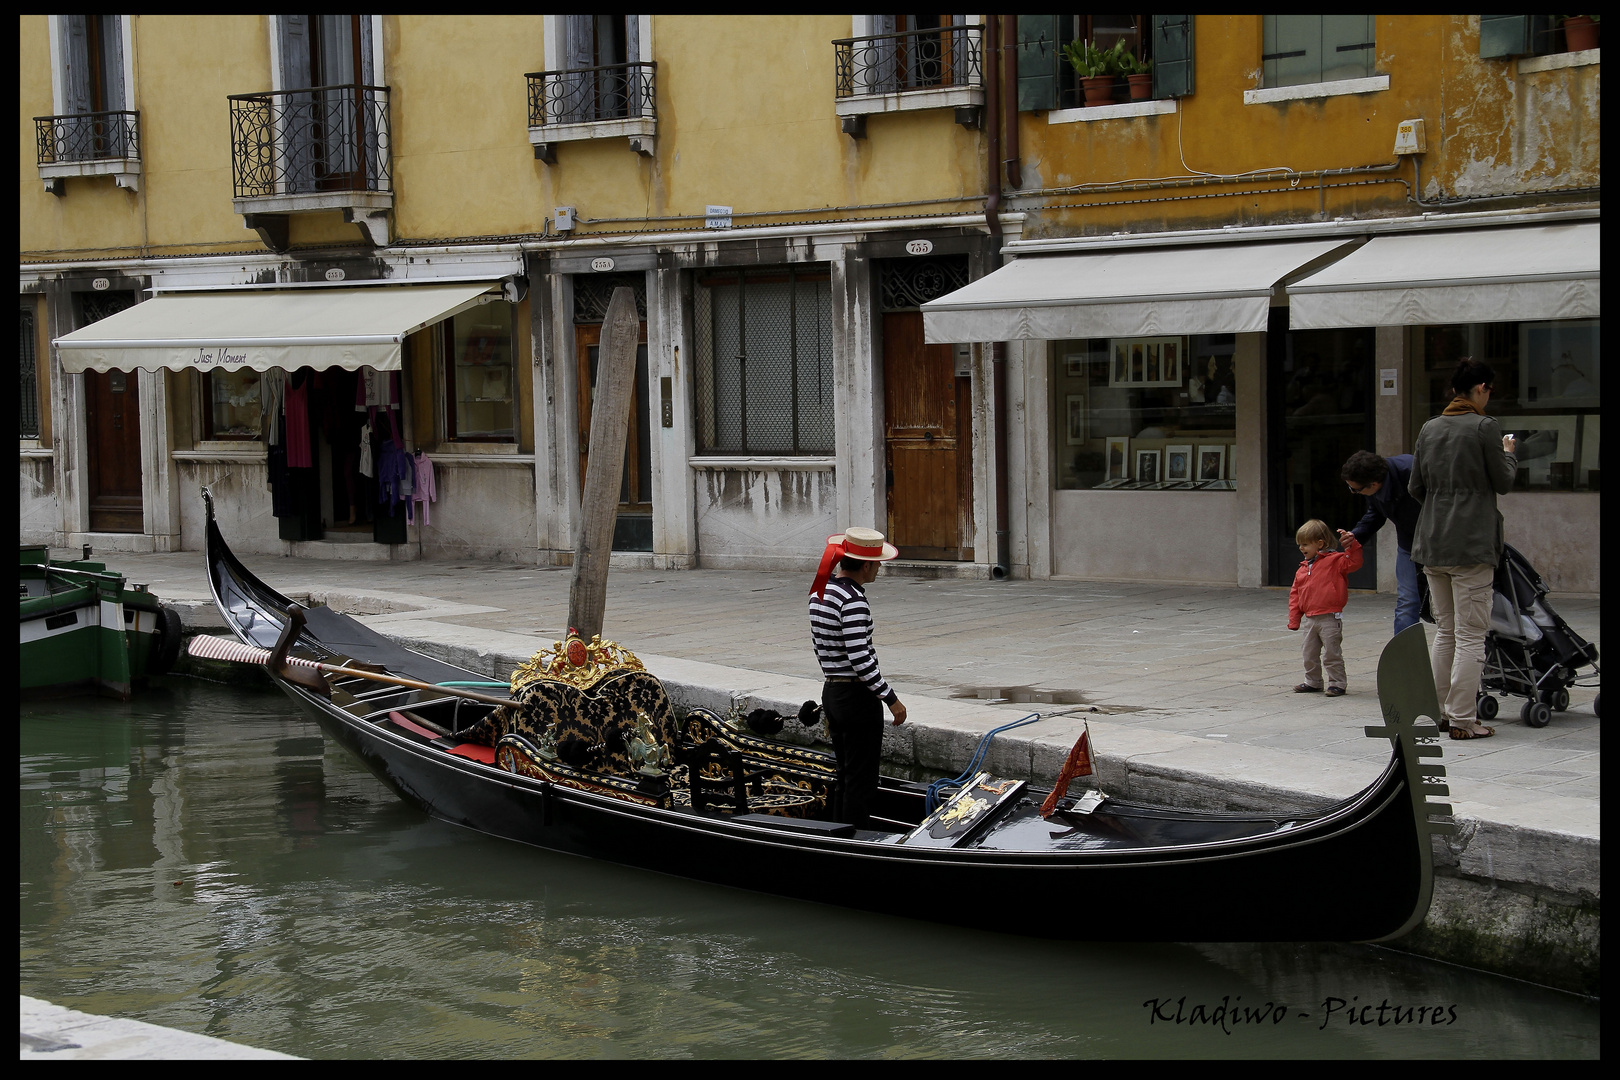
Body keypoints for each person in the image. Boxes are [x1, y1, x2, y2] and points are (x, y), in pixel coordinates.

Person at [1409, 358, 1517, 740]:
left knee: (1445, 632)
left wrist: (1443, 506)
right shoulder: (1485, 427)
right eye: (1489, 390)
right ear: (1481, 388)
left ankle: (1437, 711)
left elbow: (1415, 487)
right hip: (1470, 544)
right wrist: (1509, 452)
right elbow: (1503, 481)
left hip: (1433, 542)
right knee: (1472, 636)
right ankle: (1462, 718)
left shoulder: (1430, 428)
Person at [808, 527, 906, 828]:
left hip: (833, 693)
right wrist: (891, 699)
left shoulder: (821, 590)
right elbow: (861, 660)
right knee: (861, 779)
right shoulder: (853, 601)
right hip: (856, 700)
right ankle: (854, 839)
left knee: (846, 773)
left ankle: (838, 832)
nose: (878, 569)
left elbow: (820, 645)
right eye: (877, 564)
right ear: (866, 565)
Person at [1342, 449, 1424, 635]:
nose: (1354, 493)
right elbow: (1376, 513)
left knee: (1451, 603)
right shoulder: (1373, 485)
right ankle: (1404, 655)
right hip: (1408, 544)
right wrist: (1356, 535)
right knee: (1407, 600)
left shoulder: (1412, 472)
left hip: (1438, 542)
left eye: (1356, 489)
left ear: (1374, 483)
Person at [1287, 520, 1363, 697]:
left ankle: (1337, 683)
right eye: (1299, 544)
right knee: (1309, 653)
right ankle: (1312, 681)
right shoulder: (1302, 569)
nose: (1301, 548)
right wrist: (1294, 618)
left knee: (1331, 653)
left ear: (1319, 544)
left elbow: (1354, 562)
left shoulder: (1335, 561)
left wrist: (1352, 544)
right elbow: (1295, 594)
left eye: (1305, 544)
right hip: (1310, 619)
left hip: (1330, 617)